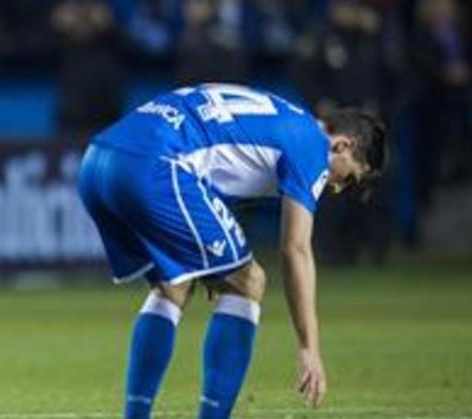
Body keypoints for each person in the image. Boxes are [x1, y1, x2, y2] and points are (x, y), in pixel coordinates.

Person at [77, 83, 386, 418]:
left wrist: (212, 264)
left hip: (97, 162)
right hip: (155, 165)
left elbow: (217, 163)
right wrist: (309, 347)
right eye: (349, 178)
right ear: (343, 145)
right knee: (248, 282)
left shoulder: (282, 115)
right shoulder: (312, 145)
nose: (338, 188)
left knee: (173, 286)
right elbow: (295, 249)